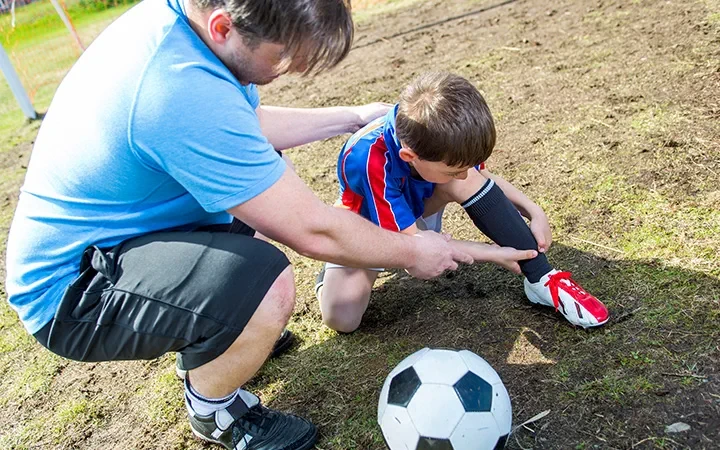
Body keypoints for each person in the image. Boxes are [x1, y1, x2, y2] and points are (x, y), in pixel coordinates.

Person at [3, 2, 485, 450]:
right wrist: (414, 252)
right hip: (73, 290)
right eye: (284, 57)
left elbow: (242, 124)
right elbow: (313, 231)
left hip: (123, 240)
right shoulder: (177, 87)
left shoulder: (188, 28)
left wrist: (352, 118)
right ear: (223, 28)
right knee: (267, 284)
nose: (292, 68)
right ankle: (215, 412)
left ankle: (213, 332)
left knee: (258, 180)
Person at [315, 71, 610, 333]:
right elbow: (412, 247)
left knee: (461, 178)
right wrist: (495, 254)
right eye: (454, 168)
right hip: (368, 229)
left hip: (415, 211)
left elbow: (478, 178)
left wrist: (534, 210)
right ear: (409, 157)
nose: (465, 173)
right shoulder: (367, 158)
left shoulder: (438, 137)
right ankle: (330, 278)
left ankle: (542, 278)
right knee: (342, 319)